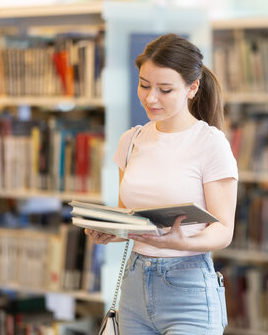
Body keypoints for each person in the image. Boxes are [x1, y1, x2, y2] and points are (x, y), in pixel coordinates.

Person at [85, 33, 238, 335]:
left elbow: (223, 230)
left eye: (165, 89)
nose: (150, 98)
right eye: (144, 85)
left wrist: (184, 243)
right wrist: (111, 230)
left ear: (192, 88)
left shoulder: (210, 143)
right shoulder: (131, 140)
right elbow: (131, 218)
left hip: (188, 285)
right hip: (135, 283)